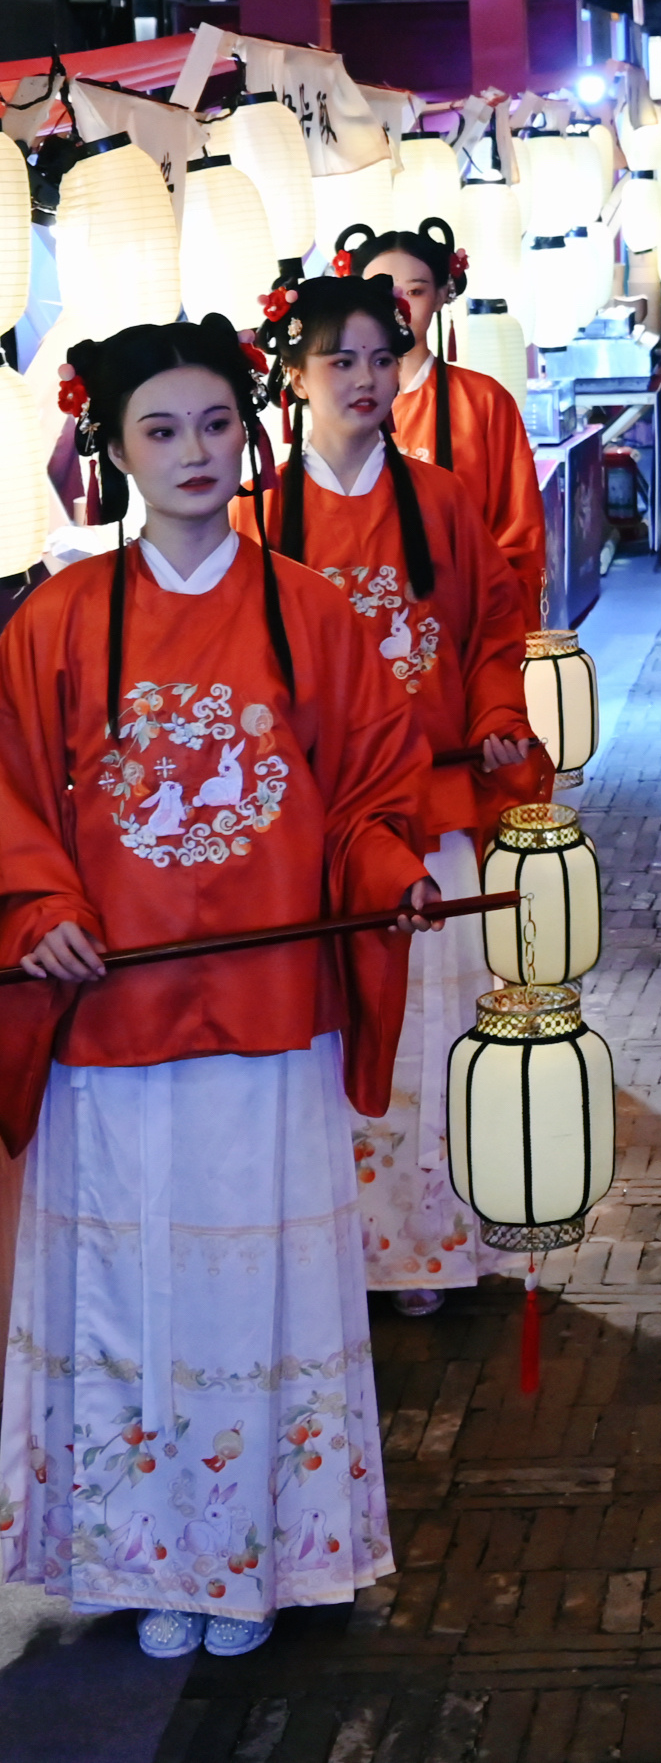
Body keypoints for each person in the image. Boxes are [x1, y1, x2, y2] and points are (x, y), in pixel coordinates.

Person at [0, 316, 436, 1659]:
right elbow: (15, 796)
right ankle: (141, 1558)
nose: (192, 453)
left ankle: (250, 1562)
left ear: (247, 431)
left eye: (209, 425)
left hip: (268, 1014)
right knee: (126, 1288)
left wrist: (386, 870)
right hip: (115, 1015)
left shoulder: (308, 610)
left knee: (258, 1287)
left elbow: (366, 789)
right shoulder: (60, 616)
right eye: (158, 430)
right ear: (114, 451)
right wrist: (45, 905)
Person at [246, 274, 548, 1316]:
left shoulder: (442, 500)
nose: (367, 378)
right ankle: (342, 1248)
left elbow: (491, 633)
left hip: (433, 809)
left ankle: (435, 1243)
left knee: (441, 1025)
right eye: (342, 360)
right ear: (295, 375)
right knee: (335, 1033)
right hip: (322, 832)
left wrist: (496, 713)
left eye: (383, 356)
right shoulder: (257, 517)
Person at [343, 216, 546, 635]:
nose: (399, 305)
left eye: (416, 291)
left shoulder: (484, 402)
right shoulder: (337, 409)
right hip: (358, 635)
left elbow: (519, 538)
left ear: (441, 295)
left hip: (466, 626)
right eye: (382, 291)